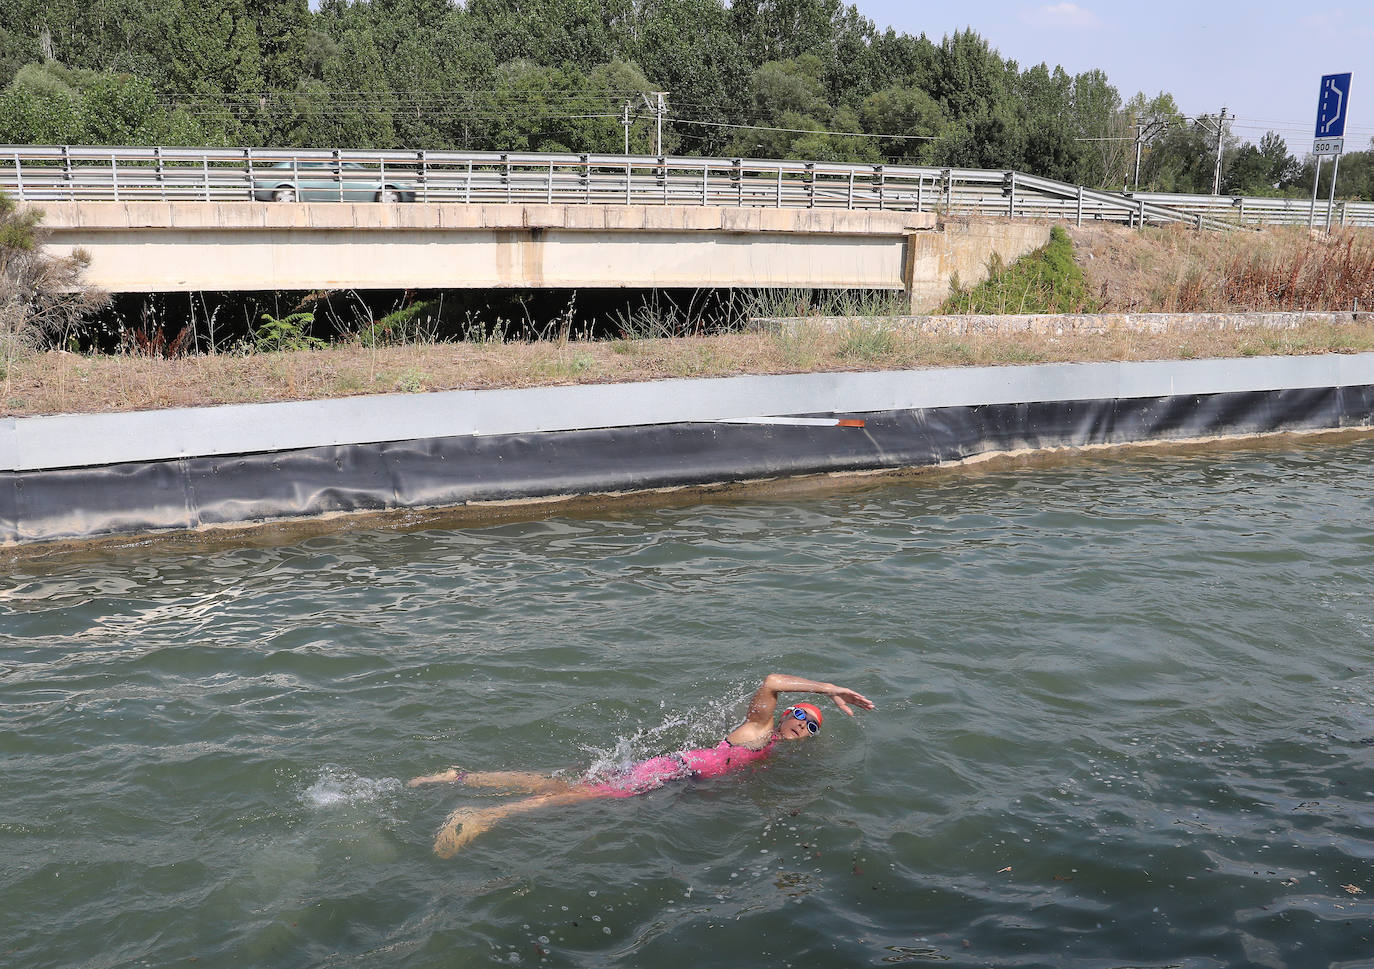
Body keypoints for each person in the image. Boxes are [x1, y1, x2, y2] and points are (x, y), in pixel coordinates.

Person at [409, 673, 875, 858]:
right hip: (669, 771)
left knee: (559, 783)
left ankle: (460, 776)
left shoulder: (770, 748)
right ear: (788, 713)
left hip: (674, 773)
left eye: (813, 727)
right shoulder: (757, 730)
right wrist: (828, 689)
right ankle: (479, 816)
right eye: (801, 716)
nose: (804, 727)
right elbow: (773, 679)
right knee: (580, 795)